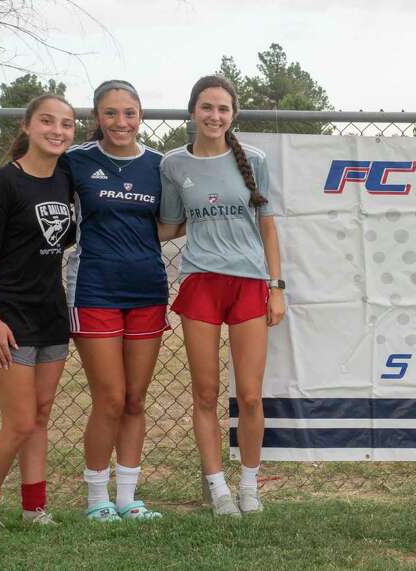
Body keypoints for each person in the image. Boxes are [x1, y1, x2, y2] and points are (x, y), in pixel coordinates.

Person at [159, 75, 285, 517]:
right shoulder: (173, 164)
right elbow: (170, 225)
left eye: (223, 109)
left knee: (249, 395)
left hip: (249, 283)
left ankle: (249, 485)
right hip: (200, 283)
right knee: (206, 394)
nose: (214, 116)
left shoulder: (254, 159)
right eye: (207, 107)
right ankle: (218, 490)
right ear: (193, 110)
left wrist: (275, 287)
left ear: (233, 116)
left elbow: (267, 226)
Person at [0, 95, 75, 537]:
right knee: (20, 421)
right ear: (27, 127)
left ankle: (34, 507)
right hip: (8, 315)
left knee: (42, 414)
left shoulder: (66, 181)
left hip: (50, 311)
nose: (58, 130)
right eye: (47, 121)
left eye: (66, 124)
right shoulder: (3, 183)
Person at [65, 80, 169, 522]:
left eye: (129, 112)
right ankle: (96, 500)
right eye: (111, 113)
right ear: (97, 118)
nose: (120, 122)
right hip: (94, 289)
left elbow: (172, 222)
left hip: (147, 289)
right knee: (108, 397)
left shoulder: (160, 166)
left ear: (140, 115)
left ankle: (127, 499)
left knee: (134, 399)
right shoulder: (75, 161)